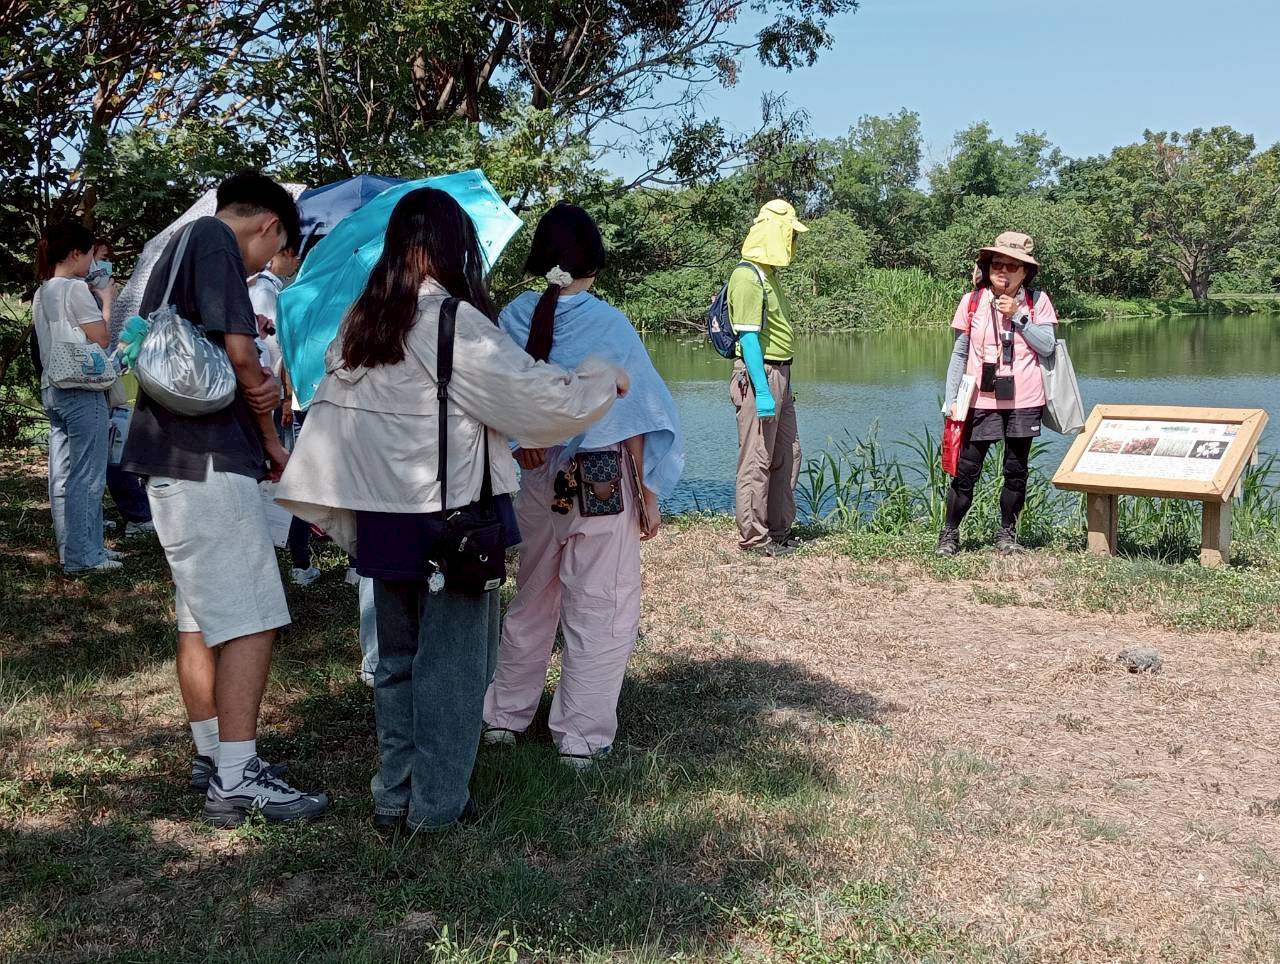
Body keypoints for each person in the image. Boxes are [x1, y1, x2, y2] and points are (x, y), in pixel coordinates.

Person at [275, 187, 628, 834]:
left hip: (383, 519)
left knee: (397, 663)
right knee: (454, 671)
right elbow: (535, 402)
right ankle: (436, 809)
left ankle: (394, 796)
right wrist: (603, 377)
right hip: (452, 524)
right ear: (449, 249)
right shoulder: (452, 323)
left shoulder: (362, 323)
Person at [120, 170, 327, 827]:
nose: (269, 263)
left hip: (172, 459)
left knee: (201, 619)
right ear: (269, 225)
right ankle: (238, 778)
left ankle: (214, 756)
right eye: (276, 250)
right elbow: (242, 358)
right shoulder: (214, 239)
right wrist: (270, 429)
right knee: (252, 617)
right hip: (210, 462)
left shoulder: (179, 250)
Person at [481, 203, 683, 768]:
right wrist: (648, 497)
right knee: (600, 603)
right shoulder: (609, 324)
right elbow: (636, 417)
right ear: (593, 262)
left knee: (533, 594)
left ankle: (505, 715)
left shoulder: (508, 320)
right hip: (597, 479)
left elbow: (497, 402)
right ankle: (581, 736)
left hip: (533, 475)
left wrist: (525, 441)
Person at [937, 231, 1058, 556]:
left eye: (1012, 267)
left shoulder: (1037, 302)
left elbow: (1047, 346)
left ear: (1025, 272)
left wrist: (1017, 315)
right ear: (987, 268)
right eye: (997, 265)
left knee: (1016, 471)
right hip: (980, 400)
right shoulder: (972, 301)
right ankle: (949, 535)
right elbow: (960, 355)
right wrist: (951, 400)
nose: (1003, 272)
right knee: (966, 472)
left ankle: (1007, 535)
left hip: (1025, 400)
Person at [32, 221, 119, 574]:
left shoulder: (43, 291)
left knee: (62, 474)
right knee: (89, 474)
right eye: (88, 256)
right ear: (75, 254)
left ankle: (74, 550)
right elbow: (100, 338)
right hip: (82, 389)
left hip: (53, 387)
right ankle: (87, 556)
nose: (92, 265)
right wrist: (108, 301)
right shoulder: (74, 289)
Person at [727, 200, 807, 557]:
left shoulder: (769, 274)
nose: (794, 243)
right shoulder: (747, 276)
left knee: (788, 453)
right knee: (756, 458)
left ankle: (777, 530)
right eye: (790, 235)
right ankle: (754, 538)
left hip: (782, 375)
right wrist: (761, 389)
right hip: (762, 375)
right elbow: (747, 338)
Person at [248, 246, 319, 586]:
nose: (295, 263)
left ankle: (295, 552)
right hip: (277, 393)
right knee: (287, 478)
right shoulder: (265, 290)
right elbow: (274, 350)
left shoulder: (281, 291)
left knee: (292, 478)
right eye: (291, 256)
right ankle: (294, 555)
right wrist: (284, 395)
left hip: (286, 393)